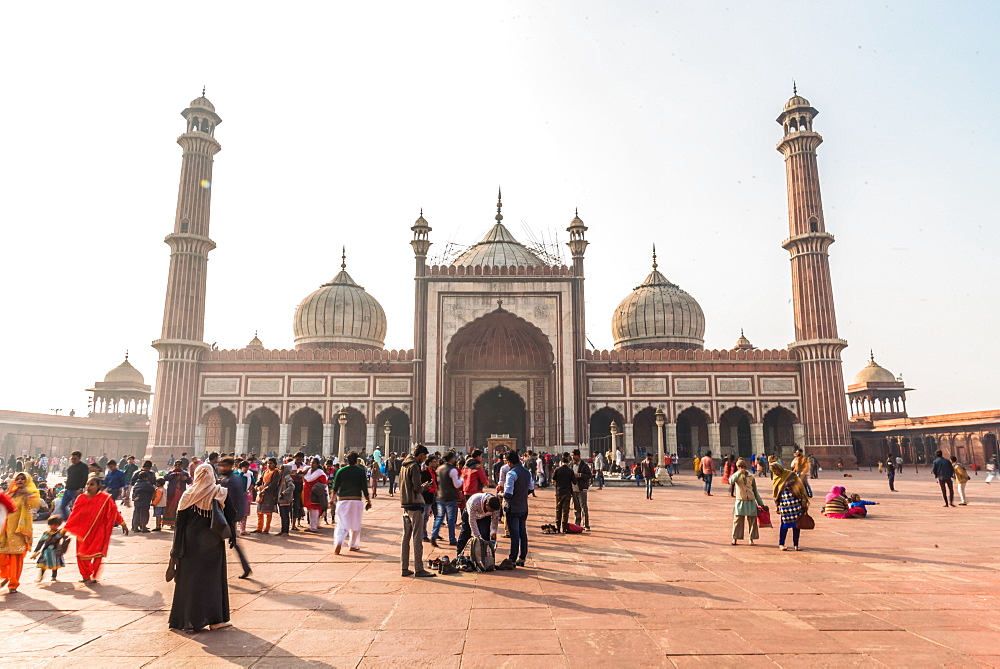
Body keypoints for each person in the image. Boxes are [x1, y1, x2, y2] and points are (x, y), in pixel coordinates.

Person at [168, 463, 236, 631]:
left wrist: (175, 552)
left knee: (190, 581)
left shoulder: (188, 495)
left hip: (190, 543)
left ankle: (187, 620)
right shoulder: (220, 492)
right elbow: (231, 515)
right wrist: (232, 536)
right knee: (212, 581)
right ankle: (215, 620)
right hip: (212, 543)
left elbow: (180, 526)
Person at [64, 476, 128, 583]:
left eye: (92, 484)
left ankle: (94, 574)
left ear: (98, 486)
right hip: (83, 531)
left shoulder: (105, 498)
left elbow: (114, 511)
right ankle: (85, 575)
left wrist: (122, 523)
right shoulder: (81, 498)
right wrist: (66, 528)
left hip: (99, 531)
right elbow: (74, 514)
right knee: (81, 554)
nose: (88, 487)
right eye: (87, 484)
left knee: (97, 553)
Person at [0, 473, 42, 592]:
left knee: (15, 560)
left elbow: (35, 504)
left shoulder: (29, 495)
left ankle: (13, 584)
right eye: (17, 479)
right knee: (1, 558)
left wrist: (27, 493)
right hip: (5, 532)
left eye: (23, 479)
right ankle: (7, 576)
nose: (19, 480)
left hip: (19, 532)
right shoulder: (9, 494)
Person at [399, 445, 435, 577]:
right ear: (420, 455)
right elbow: (416, 487)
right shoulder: (414, 466)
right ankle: (419, 569)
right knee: (417, 537)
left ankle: (404, 567)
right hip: (415, 503)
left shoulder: (404, 465)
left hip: (405, 504)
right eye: (424, 456)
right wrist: (425, 487)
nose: (424, 459)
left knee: (405, 537)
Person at [217, 457, 252, 578]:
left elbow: (231, 500)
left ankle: (244, 567)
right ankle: (246, 567)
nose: (222, 468)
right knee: (233, 542)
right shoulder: (231, 478)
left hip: (229, 516)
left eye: (224, 466)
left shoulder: (230, 480)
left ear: (231, 466)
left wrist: (233, 517)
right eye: (220, 465)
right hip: (231, 516)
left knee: (223, 542)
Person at [332, 452, 371, 553]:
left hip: (343, 500)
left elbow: (335, 487)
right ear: (357, 460)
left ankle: (339, 542)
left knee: (341, 523)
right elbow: (364, 487)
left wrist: (332, 498)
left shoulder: (341, 471)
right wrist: (368, 499)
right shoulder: (360, 471)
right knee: (355, 523)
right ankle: (353, 545)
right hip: (356, 499)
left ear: (347, 460)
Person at [503, 450, 533, 567]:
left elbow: (509, 493)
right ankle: (522, 557)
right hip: (523, 506)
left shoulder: (511, 474)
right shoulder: (527, 472)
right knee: (522, 533)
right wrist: (522, 493)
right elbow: (531, 488)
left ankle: (512, 558)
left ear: (509, 462)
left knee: (514, 535)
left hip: (513, 507)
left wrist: (502, 495)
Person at [771, 462, 809, 551]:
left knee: (797, 525)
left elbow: (801, 486)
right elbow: (776, 493)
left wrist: (804, 498)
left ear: (779, 468)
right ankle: (781, 544)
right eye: (773, 471)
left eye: (775, 471)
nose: (775, 473)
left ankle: (796, 544)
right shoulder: (776, 478)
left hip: (795, 503)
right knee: (784, 525)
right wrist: (777, 505)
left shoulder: (791, 475)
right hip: (784, 505)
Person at [431, 452, 463, 548]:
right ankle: (452, 539)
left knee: (440, 517)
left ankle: (434, 534)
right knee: (451, 519)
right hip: (450, 497)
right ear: (451, 459)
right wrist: (462, 479)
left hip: (440, 496)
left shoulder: (439, 469)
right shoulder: (452, 470)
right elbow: (456, 484)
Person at [730, 458, 765, 545]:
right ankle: (735, 538)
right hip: (740, 500)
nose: (741, 468)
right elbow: (731, 481)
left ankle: (751, 538)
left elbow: (755, 491)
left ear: (745, 467)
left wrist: (761, 503)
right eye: (739, 467)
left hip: (750, 500)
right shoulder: (736, 475)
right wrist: (738, 473)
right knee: (737, 520)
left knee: (752, 521)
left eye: (742, 466)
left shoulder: (751, 477)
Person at [456, 490, 501, 555]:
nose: (492, 511)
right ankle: (459, 554)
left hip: (484, 517)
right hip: (469, 514)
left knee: (485, 536)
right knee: (465, 533)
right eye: (491, 510)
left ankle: (485, 557)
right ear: (486, 504)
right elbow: (472, 520)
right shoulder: (474, 502)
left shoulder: (495, 507)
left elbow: (495, 519)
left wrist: (493, 532)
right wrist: (477, 536)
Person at [32, 515, 67, 582]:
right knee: (43, 565)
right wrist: (36, 550)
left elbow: (65, 540)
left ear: (58, 525)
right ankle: (40, 577)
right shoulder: (46, 533)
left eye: (55, 525)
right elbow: (41, 542)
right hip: (46, 551)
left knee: (55, 564)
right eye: (51, 525)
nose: (53, 526)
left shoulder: (60, 533)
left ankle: (54, 577)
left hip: (55, 551)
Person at [253, 458, 280, 534]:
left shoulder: (276, 473)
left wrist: (265, 489)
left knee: (268, 512)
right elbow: (260, 480)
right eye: (268, 463)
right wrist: (256, 485)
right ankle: (259, 528)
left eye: (271, 463)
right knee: (259, 511)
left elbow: (274, 484)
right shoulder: (265, 471)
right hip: (262, 493)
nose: (269, 465)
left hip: (270, 494)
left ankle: (266, 528)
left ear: (275, 464)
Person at [302, 458, 328, 532]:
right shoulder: (308, 471)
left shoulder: (320, 473)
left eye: (314, 463)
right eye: (311, 463)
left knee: (315, 510)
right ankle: (311, 526)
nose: (312, 464)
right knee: (310, 510)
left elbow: (324, 484)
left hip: (315, 494)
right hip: (307, 493)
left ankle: (314, 527)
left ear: (317, 464)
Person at [164, 460, 192, 527]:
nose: (177, 466)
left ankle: (179, 522)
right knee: (171, 507)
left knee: (180, 507)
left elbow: (189, 481)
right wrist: (173, 474)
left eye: (179, 465)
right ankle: (171, 522)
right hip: (172, 492)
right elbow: (165, 478)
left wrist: (186, 478)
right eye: (176, 465)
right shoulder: (171, 472)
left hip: (181, 492)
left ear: (181, 466)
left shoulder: (184, 473)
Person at [63, 450, 89, 518]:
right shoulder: (71, 467)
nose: (73, 460)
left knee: (75, 507)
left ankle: (75, 520)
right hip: (68, 489)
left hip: (76, 490)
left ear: (79, 458)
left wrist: (81, 488)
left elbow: (84, 478)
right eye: (72, 458)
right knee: (62, 505)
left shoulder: (83, 467)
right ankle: (68, 519)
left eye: (75, 459)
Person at [571, 449, 592, 530]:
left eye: (573, 455)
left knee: (583, 507)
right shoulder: (571, 464)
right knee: (576, 508)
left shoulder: (584, 466)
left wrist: (579, 475)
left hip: (582, 488)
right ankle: (577, 524)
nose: (572, 457)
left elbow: (589, 475)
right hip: (573, 488)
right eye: (572, 455)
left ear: (578, 456)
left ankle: (586, 525)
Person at [552, 455, 575, 532]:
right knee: (565, 510)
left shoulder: (557, 470)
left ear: (561, 462)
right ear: (568, 463)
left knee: (558, 509)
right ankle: (564, 527)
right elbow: (574, 482)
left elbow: (553, 480)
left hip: (559, 492)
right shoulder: (570, 471)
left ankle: (558, 527)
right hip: (567, 492)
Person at [276, 464, 295, 536]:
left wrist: (285, 492)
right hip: (281, 500)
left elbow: (292, 487)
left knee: (285, 516)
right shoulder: (281, 478)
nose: (280, 471)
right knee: (282, 516)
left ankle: (286, 531)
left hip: (285, 500)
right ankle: (282, 530)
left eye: (281, 469)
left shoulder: (287, 477)